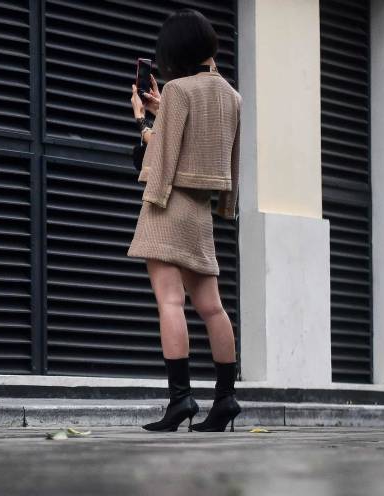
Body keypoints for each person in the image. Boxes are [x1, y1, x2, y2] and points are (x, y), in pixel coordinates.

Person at [128, 10, 242, 433]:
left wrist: (143, 122)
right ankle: (226, 398)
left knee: (169, 302)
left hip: (168, 205)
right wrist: (226, 206)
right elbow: (229, 159)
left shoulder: (177, 90)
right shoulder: (232, 95)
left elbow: (160, 159)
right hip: (201, 212)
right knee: (212, 307)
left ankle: (180, 400)